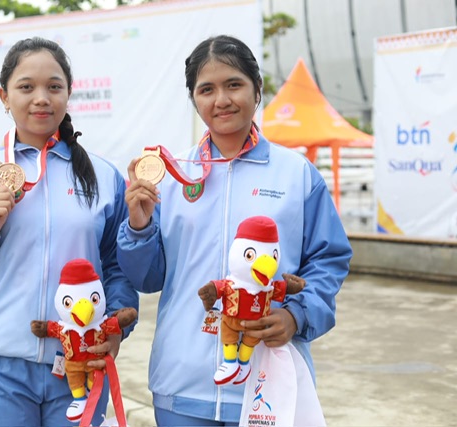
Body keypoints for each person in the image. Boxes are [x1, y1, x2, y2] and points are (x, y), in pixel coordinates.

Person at [117, 34, 353, 426]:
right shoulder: (173, 175)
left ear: (257, 90)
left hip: (268, 380)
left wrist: (297, 314)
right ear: (194, 98)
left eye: (234, 84)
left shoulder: (296, 174)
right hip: (182, 383)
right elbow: (148, 278)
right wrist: (138, 225)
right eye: (206, 89)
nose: (221, 100)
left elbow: (328, 259)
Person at [0, 37, 139, 427]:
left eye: (54, 87)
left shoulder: (104, 177)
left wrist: (117, 330)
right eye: (26, 87)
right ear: (4, 96)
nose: (41, 98)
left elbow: (118, 267)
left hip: (81, 360)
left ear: (68, 94)